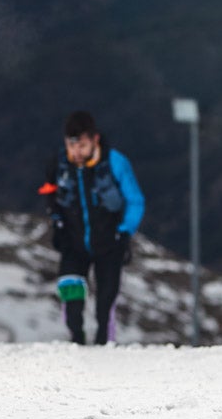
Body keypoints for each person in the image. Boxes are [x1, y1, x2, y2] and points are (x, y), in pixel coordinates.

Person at [38, 111, 145, 345]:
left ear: (95, 140)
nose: (76, 152)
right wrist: (57, 221)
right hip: (73, 242)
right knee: (71, 292)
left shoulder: (115, 163)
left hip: (109, 242)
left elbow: (135, 200)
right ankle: (76, 339)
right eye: (71, 145)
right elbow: (50, 194)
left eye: (82, 146)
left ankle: (104, 347)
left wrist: (125, 231)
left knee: (105, 302)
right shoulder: (58, 164)